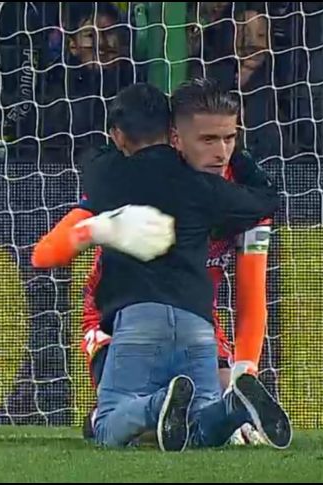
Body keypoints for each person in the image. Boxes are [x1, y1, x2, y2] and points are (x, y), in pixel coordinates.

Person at [35, 80, 290, 451]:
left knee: (176, 411)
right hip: (111, 323)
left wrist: (243, 371)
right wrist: (97, 227)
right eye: (208, 140)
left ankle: (229, 402)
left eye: (230, 139)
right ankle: (221, 410)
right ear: (175, 137)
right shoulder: (131, 178)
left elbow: (251, 299)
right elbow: (49, 250)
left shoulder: (242, 202)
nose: (222, 153)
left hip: (195, 320)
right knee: (172, 424)